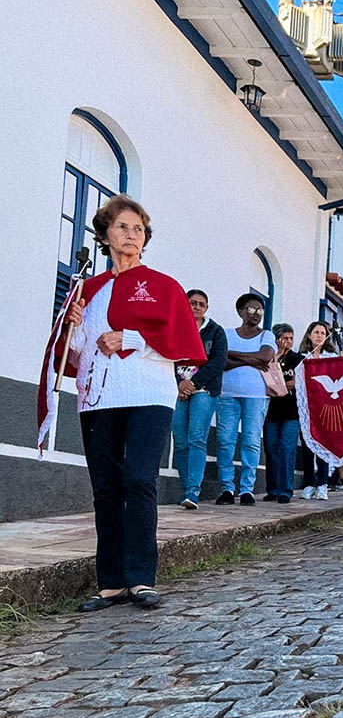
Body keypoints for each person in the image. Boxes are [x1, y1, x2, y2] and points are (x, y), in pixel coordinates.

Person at [64, 194, 205, 611]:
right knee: (106, 488)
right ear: (105, 234)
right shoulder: (88, 290)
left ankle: (141, 577)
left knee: (140, 480)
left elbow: (183, 345)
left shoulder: (163, 286)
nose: (131, 235)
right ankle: (110, 582)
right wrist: (72, 329)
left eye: (139, 229)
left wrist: (130, 339)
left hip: (147, 394)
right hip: (98, 399)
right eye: (123, 227)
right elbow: (75, 356)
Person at [215, 294, 276, 505]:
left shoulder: (266, 336)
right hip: (227, 395)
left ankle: (247, 489)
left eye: (260, 310)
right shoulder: (227, 334)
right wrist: (250, 360)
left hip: (256, 395)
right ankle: (227, 488)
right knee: (225, 441)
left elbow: (265, 357)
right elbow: (220, 360)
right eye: (251, 309)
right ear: (241, 311)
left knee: (251, 441)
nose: (256, 314)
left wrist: (234, 356)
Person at [172, 289, 227, 509]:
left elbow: (218, 361)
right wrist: (179, 384)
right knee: (180, 438)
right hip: (177, 389)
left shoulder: (215, 331)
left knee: (196, 437)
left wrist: (193, 383)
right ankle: (186, 488)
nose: (196, 307)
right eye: (192, 302)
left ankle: (194, 491)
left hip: (204, 390)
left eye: (201, 304)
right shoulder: (175, 326)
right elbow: (166, 355)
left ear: (206, 308)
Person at [296, 321, 336, 500]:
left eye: (323, 332)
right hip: (307, 407)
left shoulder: (333, 357)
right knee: (307, 447)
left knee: (324, 446)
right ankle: (308, 483)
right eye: (316, 332)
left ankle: (322, 484)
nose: (319, 335)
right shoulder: (302, 357)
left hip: (326, 408)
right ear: (309, 335)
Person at [263, 323, 302, 503]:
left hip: (291, 411)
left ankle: (286, 490)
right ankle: (273, 488)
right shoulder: (270, 357)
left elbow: (296, 382)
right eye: (285, 338)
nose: (288, 342)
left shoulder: (298, 359)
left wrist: (277, 384)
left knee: (287, 449)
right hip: (271, 410)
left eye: (291, 338)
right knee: (271, 449)